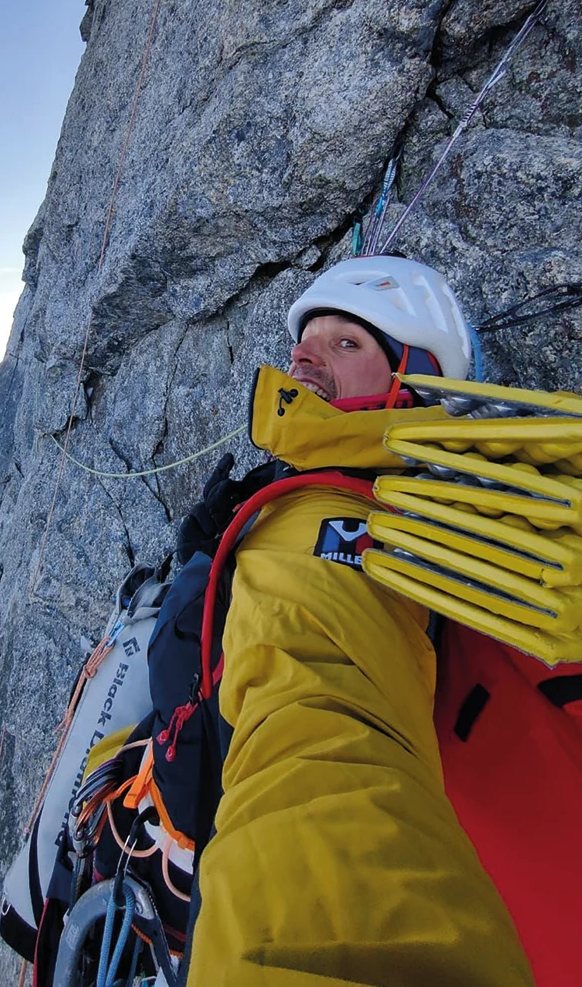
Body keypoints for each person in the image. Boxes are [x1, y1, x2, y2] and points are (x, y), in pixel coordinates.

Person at [184, 256, 536, 987]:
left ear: (410, 383)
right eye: (305, 342)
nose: (304, 356)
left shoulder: (385, 517)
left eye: (347, 344)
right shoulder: (311, 486)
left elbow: (319, 716)